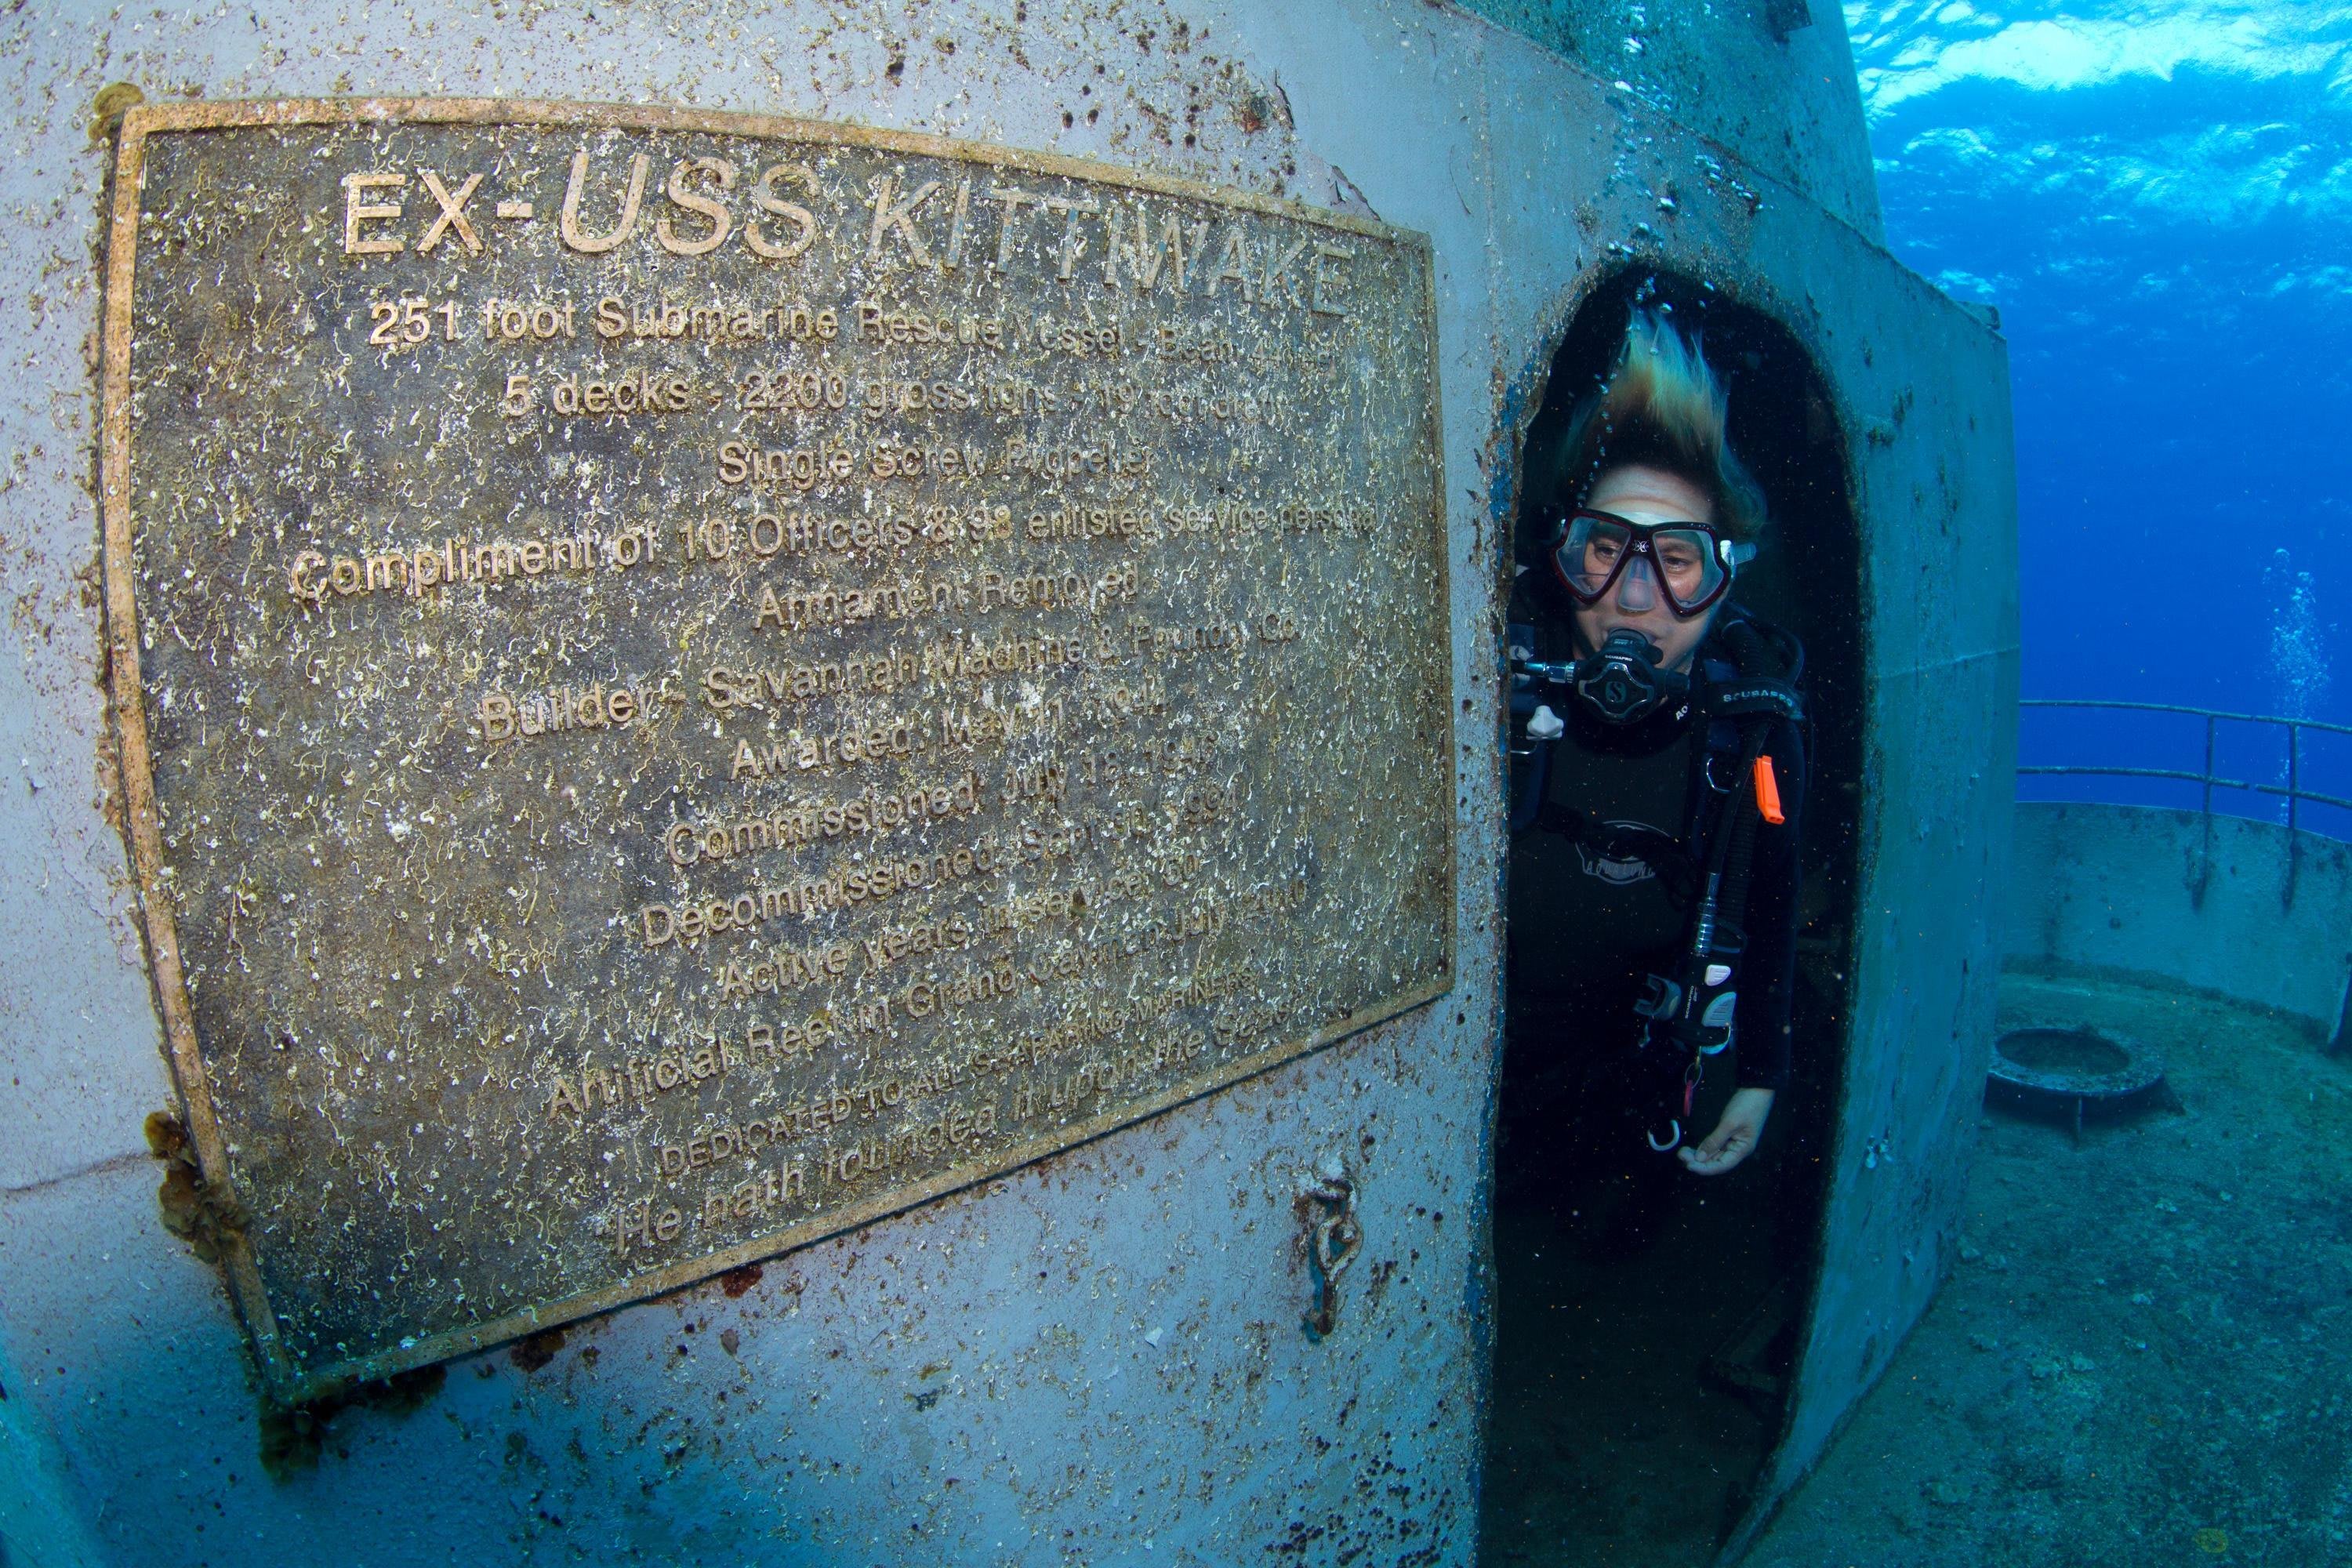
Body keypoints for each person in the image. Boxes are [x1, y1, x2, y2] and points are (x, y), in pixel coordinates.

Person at [1504, 307, 1806, 1252]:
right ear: (1567, 558)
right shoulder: (1494, 678)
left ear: (1722, 583)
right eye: (1607, 550)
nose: (1637, 600)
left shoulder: (1751, 732)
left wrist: (1758, 1072)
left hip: (1601, 1077)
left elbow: (1774, 898)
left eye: (1676, 560)